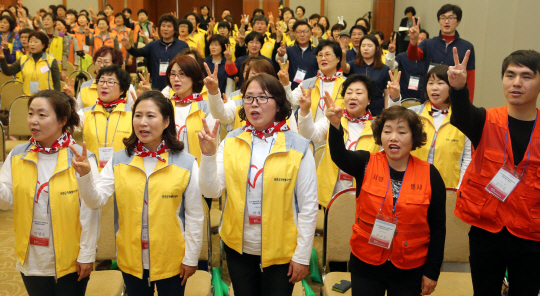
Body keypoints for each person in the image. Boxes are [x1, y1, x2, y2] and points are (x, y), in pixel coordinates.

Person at [73, 90, 204, 296]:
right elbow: (95, 200)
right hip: (130, 259)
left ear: (166, 121)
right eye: (138, 115)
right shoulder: (119, 160)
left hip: (172, 259)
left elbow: (195, 215)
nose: (143, 122)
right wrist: (85, 176)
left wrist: (191, 257)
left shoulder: (186, 162)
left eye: (151, 116)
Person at [199, 73, 318, 296]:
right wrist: (207, 156)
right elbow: (210, 190)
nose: (254, 103)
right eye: (249, 97)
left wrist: (302, 256)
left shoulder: (299, 146)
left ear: (278, 104)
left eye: (262, 97)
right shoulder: (232, 140)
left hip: (281, 250)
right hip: (238, 247)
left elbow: (309, 207)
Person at [327, 102, 446, 296]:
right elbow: (339, 155)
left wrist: (432, 272)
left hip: (409, 266)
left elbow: (438, 228)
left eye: (401, 132)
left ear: (413, 137)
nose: (393, 138)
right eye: (387, 131)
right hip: (366, 262)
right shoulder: (365, 163)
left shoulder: (430, 175)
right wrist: (335, 124)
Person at [449, 48, 540, 295]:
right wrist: (458, 89)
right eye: (510, 75)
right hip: (487, 232)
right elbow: (461, 116)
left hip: (532, 237)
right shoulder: (485, 120)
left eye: (527, 76)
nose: (517, 83)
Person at [0, 89, 99, 296]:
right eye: (30, 113)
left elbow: (90, 212)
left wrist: (87, 254)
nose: (33, 121)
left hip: (71, 259)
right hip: (32, 256)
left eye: (42, 115)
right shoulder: (18, 154)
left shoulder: (81, 158)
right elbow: (6, 201)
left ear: (62, 120)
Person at [302, 74, 381, 206]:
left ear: (369, 100)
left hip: (363, 194)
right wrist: (305, 111)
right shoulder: (332, 120)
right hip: (331, 193)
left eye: (359, 92)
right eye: (349, 92)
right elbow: (310, 134)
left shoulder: (378, 128)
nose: (353, 96)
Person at [400, 65, 471, 190]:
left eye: (440, 83)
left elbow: (468, 158)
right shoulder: (413, 114)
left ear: (451, 86)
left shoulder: (462, 118)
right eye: (430, 83)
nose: (434, 88)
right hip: (411, 186)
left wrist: (460, 188)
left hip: (448, 188)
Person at [407, 4, 476, 100]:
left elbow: (470, 78)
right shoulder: (428, 43)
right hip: (430, 97)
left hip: (454, 99)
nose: (446, 21)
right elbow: (412, 56)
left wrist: (468, 106)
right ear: (439, 21)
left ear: (458, 21)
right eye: (443, 18)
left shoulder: (467, 47)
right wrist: (413, 41)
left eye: (451, 18)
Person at [162, 55, 217, 168]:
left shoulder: (207, 108)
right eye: (173, 74)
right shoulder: (164, 106)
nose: (176, 79)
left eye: (182, 74)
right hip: (166, 170)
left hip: (196, 172)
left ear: (193, 77)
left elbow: (211, 147)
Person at [77, 66, 133, 171]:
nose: (104, 86)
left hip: (123, 173)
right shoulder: (86, 113)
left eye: (110, 82)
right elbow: (66, 126)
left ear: (122, 90)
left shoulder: (132, 114)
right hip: (93, 173)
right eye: (101, 81)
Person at [291, 40, 346, 141]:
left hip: (337, 139)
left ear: (338, 58)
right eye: (320, 55)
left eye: (327, 54)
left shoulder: (347, 85)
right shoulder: (307, 84)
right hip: (308, 139)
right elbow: (290, 100)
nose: (323, 58)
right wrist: (286, 84)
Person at [125, 14, 189, 90]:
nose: (165, 29)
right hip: (157, 86)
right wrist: (128, 47)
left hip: (177, 86)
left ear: (175, 29)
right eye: (163, 26)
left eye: (169, 26)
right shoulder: (153, 45)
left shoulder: (183, 46)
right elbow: (139, 52)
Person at [341, 35, 394, 116]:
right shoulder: (353, 64)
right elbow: (344, 68)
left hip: (376, 111)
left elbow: (387, 94)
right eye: (363, 46)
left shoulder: (384, 69)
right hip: (355, 111)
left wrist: (386, 113)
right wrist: (343, 55)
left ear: (377, 48)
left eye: (369, 46)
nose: (366, 48)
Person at [69, 46, 136, 110]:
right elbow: (78, 114)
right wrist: (71, 98)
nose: (101, 65)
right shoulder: (85, 86)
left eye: (106, 62)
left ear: (115, 65)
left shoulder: (125, 86)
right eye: (98, 61)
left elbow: (133, 110)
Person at [386, 30, 428, 101]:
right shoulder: (402, 56)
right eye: (417, 38)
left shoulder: (428, 58)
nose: (419, 41)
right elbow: (390, 66)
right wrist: (391, 53)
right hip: (403, 97)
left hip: (423, 98)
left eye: (423, 39)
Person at [277, 20, 318, 90]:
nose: (302, 35)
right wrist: (280, 55)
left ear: (311, 34)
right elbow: (281, 60)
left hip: (312, 90)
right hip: (292, 89)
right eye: (299, 32)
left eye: (305, 32)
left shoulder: (317, 51)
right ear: (294, 34)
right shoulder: (289, 50)